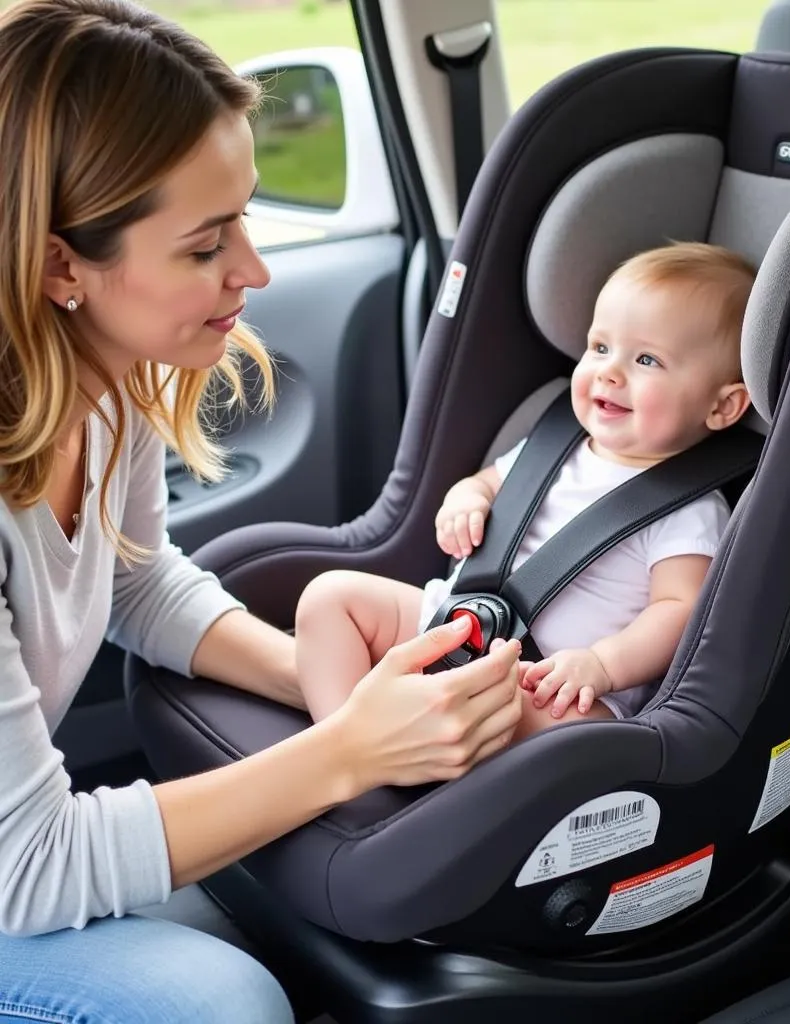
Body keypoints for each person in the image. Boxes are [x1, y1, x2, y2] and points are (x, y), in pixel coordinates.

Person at [0, 0, 523, 1020]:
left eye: (246, 214)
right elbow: (30, 864)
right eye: (205, 246)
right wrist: (349, 753)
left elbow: (138, 582)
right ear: (64, 265)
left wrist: (330, 680)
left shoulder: (105, 389)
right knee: (228, 1005)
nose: (254, 269)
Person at [295, 242, 754, 736]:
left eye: (647, 359)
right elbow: (489, 483)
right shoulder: (555, 446)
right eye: (599, 348)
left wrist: (602, 665)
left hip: (553, 685)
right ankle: (341, 741)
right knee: (328, 598)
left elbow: (680, 611)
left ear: (723, 407)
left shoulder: (691, 509)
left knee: (512, 721)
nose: (610, 371)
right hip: (452, 626)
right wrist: (466, 499)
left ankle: (390, 752)